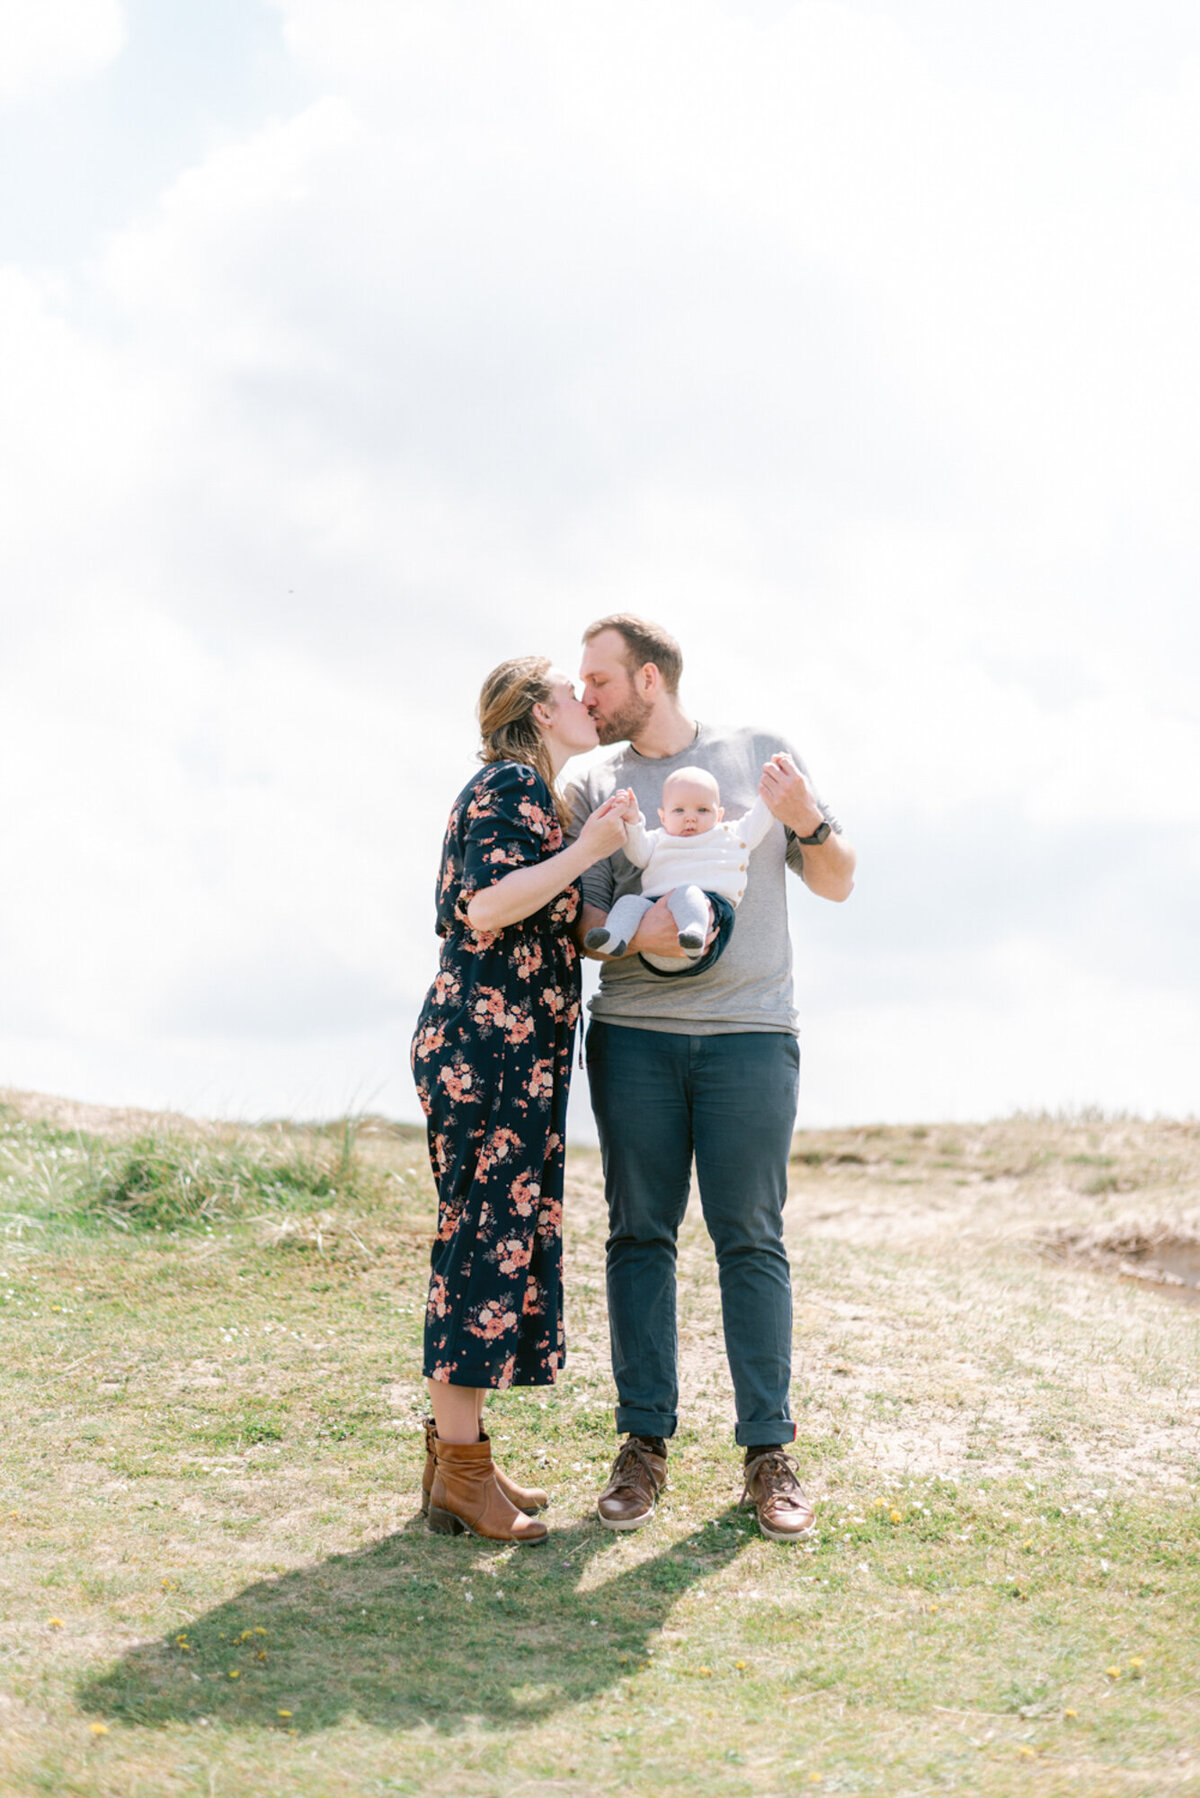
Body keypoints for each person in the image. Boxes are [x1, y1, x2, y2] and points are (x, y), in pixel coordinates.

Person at [565, 615, 856, 1543]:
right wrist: (622, 932)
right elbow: (582, 922)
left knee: (750, 1240)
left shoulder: (761, 755)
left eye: (600, 681)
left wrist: (807, 818)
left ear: (649, 679)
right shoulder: (594, 784)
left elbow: (839, 881)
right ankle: (643, 1447)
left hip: (750, 1037)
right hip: (635, 1038)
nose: (586, 699)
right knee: (639, 1236)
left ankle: (769, 1454)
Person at [411, 655, 631, 1544]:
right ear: (538, 712)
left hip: (513, 1054)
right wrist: (588, 852)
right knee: (476, 1249)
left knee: (489, 1242)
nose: (587, 700)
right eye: (572, 691)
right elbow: (486, 907)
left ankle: (457, 1464)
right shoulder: (506, 784)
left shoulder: (533, 795)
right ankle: (461, 1477)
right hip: (486, 1051)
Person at [583, 766, 773, 969]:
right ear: (663, 817)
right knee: (629, 901)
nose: (690, 818)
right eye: (679, 810)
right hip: (652, 918)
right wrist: (633, 821)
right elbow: (638, 854)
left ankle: (692, 933)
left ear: (718, 815)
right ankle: (614, 937)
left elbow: (758, 821)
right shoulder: (659, 839)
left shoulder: (730, 834)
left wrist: (771, 793)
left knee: (687, 893)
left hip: (709, 916)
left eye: (703, 810)